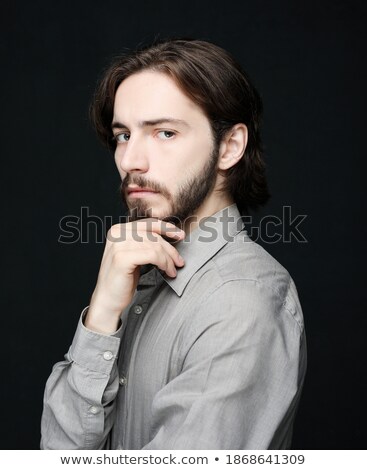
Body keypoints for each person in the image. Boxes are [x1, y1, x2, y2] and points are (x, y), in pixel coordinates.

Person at [41, 37, 307, 450]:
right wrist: (102, 316)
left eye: (164, 132)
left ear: (230, 147)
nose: (130, 161)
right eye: (123, 135)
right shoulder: (134, 278)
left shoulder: (241, 301)